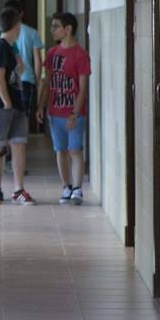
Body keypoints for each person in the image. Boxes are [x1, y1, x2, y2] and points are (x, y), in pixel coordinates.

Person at [0, 7, 34, 205]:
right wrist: (7, 102)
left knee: (18, 144)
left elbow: (19, 68)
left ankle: (19, 189)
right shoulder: (0, 47)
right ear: (17, 25)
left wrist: (19, 65)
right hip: (1, 105)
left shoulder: (10, 47)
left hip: (16, 104)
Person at [39, 12, 91, 204]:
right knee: (60, 150)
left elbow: (83, 88)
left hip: (74, 113)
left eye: (56, 26)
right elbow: (48, 81)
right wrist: (41, 105)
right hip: (55, 112)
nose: (52, 29)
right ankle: (66, 186)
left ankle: (77, 188)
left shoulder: (80, 54)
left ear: (68, 29)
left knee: (75, 150)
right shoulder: (52, 54)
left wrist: (75, 113)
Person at [4, 0, 44, 132]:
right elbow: (38, 60)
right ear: (21, 14)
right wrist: (37, 81)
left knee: (8, 114)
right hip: (27, 79)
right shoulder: (32, 32)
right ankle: (21, 145)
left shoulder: (2, 34)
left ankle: (10, 148)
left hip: (9, 80)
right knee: (24, 116)